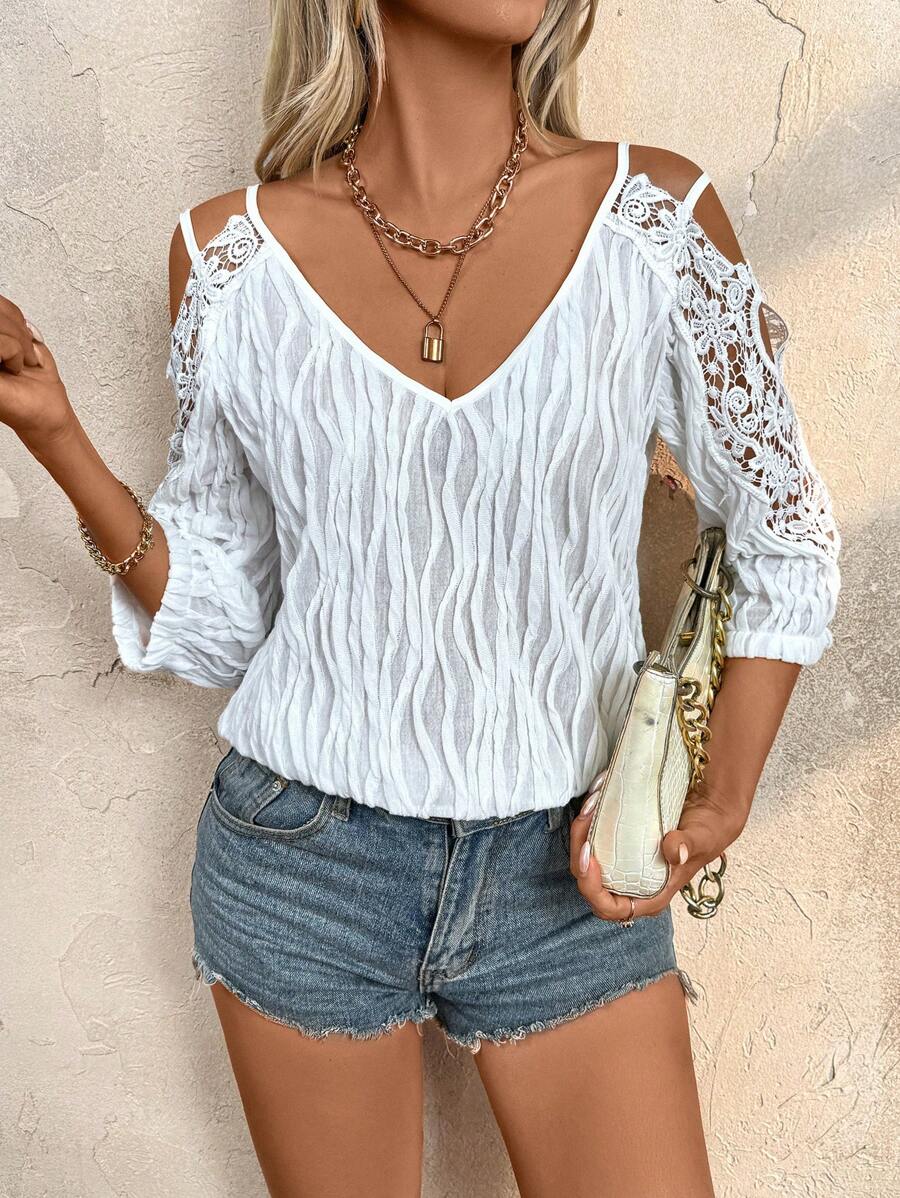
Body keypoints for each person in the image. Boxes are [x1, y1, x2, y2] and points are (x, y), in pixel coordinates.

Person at [0, 2, 841, 1195]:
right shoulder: (229, 258)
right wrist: (55, 434)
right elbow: (225, 623)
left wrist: (720, 798)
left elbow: (783, 531)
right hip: (303, 867)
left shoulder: (653, 220)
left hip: (571, 873)